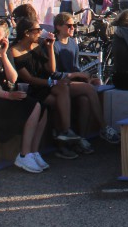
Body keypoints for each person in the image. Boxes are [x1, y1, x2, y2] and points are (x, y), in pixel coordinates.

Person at [0, 19, 50, 173]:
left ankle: (33, 151)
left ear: (4, 37)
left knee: (42, 106)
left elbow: (13, 78)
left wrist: (4, 55)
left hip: (1, 95)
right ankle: (24, 155)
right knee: (32, 106)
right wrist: (7, 95)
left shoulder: (5, 52)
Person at [10, 17, 84, 157]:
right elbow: (28, 79)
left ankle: (65, 132)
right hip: (31, 89)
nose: (40, 32)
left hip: (45, 84)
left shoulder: (36, 46)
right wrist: (51, 83)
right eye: (37, 30)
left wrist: (50, 47)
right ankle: (62, 143)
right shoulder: (15, 51)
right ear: (27, 33)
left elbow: (50, 69)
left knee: (63, 89)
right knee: (57, 102)